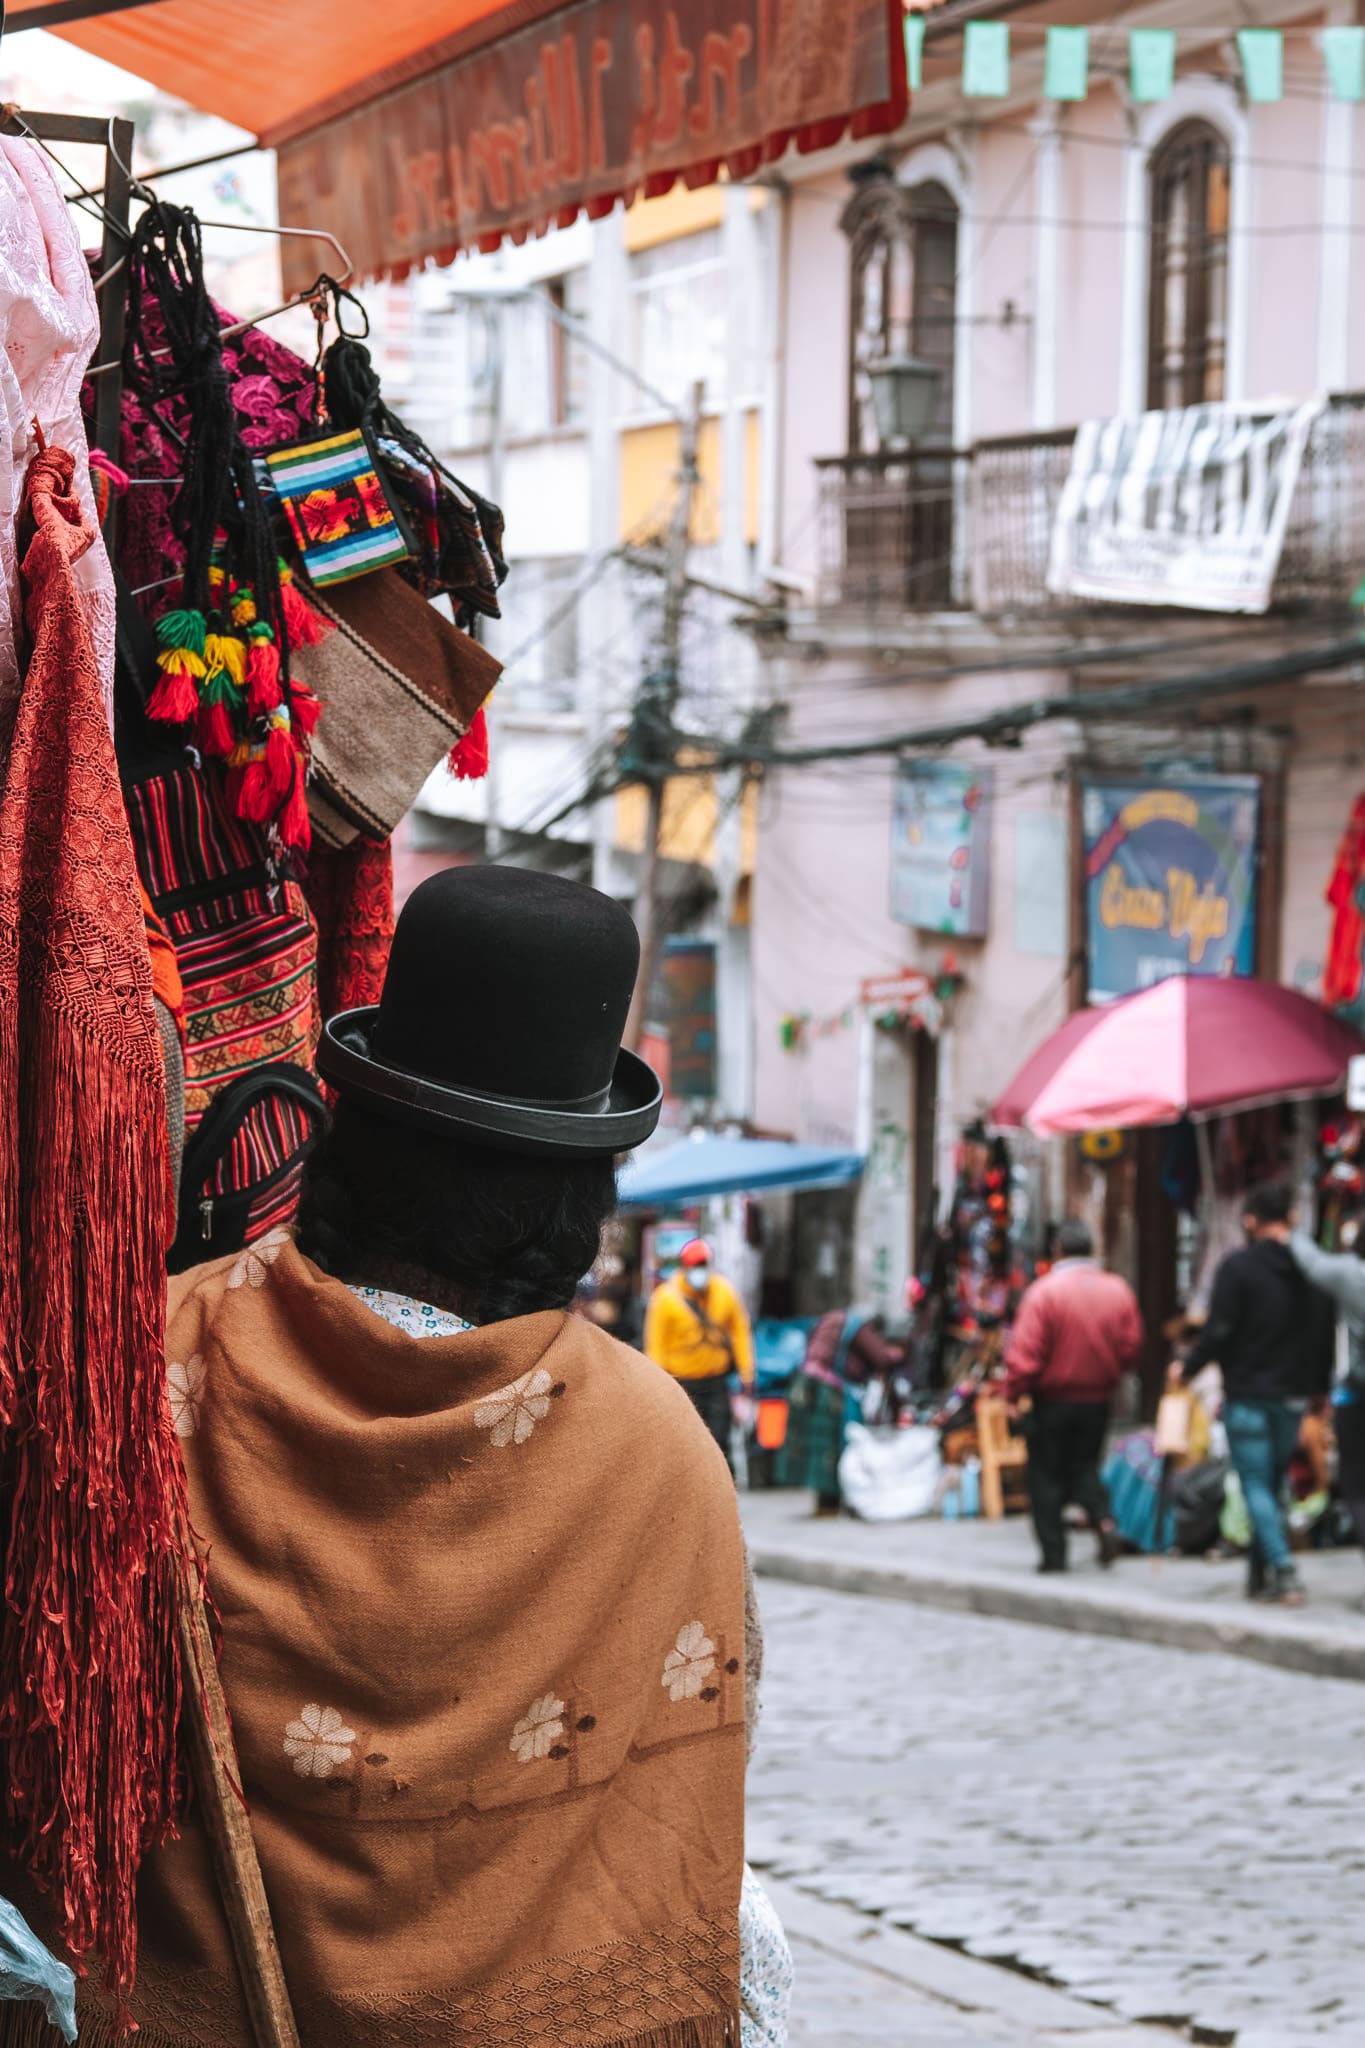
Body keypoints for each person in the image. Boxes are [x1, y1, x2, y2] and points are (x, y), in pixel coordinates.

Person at [5, 867, 762, 2046]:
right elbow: (680, 1854)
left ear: (343, 1125)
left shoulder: (144, 1367)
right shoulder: (658, 1450)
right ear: (580, 1193)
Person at [1177, 1180, 1334, 1606]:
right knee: (1273, 1481)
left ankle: (1283, 1570)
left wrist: (1186, 1369)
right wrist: (1319, 1389)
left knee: (1255, 1485)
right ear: (1291, 1217)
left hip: (1248, 1394)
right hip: (1293, 1397)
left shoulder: (1238, 1268)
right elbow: (1323, 1335)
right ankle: (1258, 1575)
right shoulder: (1310, 1271)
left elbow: (1219, 1332)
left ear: (1250, 1220)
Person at [1005, 1218, 1144, 1574]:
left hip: (1052, 1399)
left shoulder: (1045, 1292)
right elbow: (1132, 1347)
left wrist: (1013, 1392)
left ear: (1057, 1251)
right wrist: (1110, 1371)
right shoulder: (1117, 1289)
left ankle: (1055, 1554)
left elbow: (1026, 1353)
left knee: (1047, 1475)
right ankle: (1105, 1520)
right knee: (1084, 1465)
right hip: (1097, 1398)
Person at [1288, 1222, 1365, 1573]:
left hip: (1355, 1395)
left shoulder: (1352, 1274)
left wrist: (1294, 1227)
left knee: (1357, 1486)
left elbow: (1311, 1261)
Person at [645, 1237, 755, 1470]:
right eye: (695, 1265)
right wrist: (661, 1388)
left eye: (703, 1264)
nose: (700, 1271)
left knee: (720, 1440)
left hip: (717, 1381)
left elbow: (740, 1332)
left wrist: (747, 1373)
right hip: (682, 1384)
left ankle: (720, 1496)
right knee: (686, 1444)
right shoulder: (666, 1299)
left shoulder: (724, 1291)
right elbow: (656, 1346)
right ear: (684, 1267)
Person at [785, 1308, 907, 1514]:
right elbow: (882, 1359)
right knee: (834, 1449)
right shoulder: (860, 1328)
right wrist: (899, 1354)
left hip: (806, 1383)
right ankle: (835, 1502)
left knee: (821, 1453)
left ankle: (826, 1504)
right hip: (829, 1390)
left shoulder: (831, 1318)